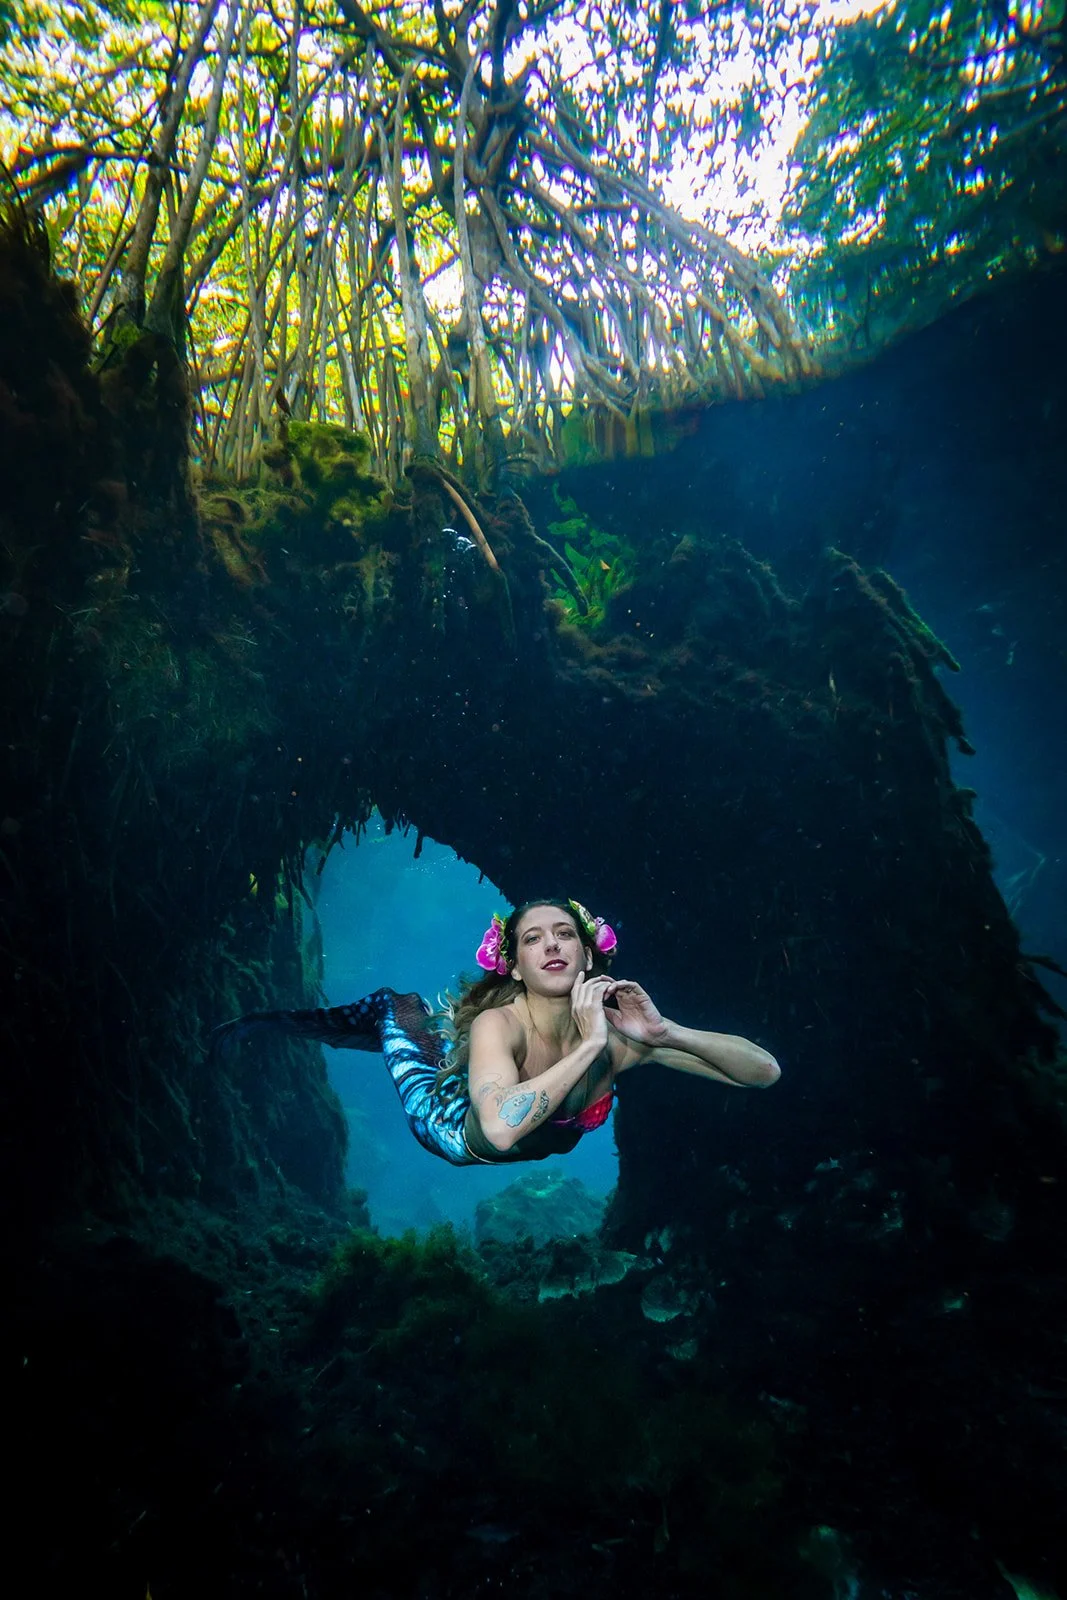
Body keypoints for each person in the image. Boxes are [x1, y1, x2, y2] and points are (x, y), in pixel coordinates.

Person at [212, 898, 780, 1167]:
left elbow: (763, 1073)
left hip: (521, 1079)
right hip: (453, 1127)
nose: (552, 944)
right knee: (398, 1015)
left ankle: (427, 1033)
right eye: (533, 939)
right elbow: (500, 1133)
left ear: (587, 954)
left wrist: (667, 1032)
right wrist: (587, 1048)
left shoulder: (625, 1038)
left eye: (564, 934)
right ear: (512, 965)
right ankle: (275, 1021)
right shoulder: (498, 1024)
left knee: (435, 1035)